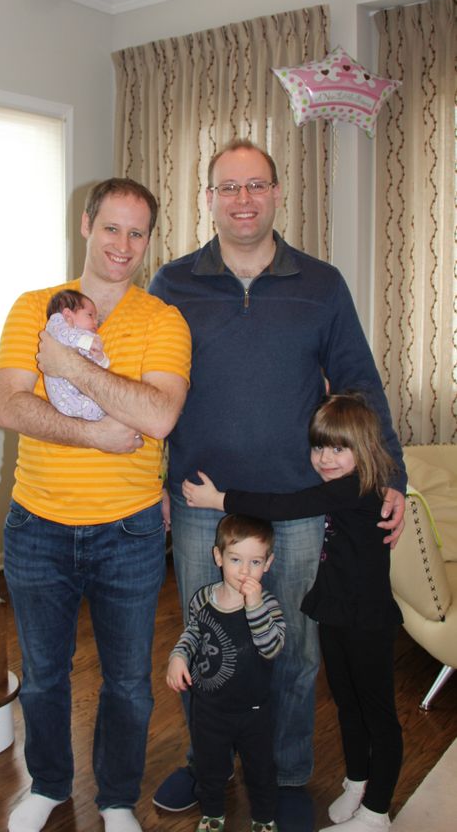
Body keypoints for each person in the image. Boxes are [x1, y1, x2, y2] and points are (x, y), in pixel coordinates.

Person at [148, 139, 406, 828]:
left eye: (255, 185)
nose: (243, 199)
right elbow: (147, 388)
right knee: (208, 644)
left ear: (276, 193)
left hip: (296, 506)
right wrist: (153, 483)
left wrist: (391, 476)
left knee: (291, 648)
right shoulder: (171, 283)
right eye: (228, 187)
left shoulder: (321, 284)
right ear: (208, 198)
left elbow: (359, 384)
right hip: (201, 503)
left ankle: (287, 770)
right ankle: (209, 763)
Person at [0, 177, 191, 832]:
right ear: (85, 225)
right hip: (37, 525)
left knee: (128, 683)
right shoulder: (32, 307)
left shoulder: (162, 320)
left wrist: (70, 366)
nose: (123, 245)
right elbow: (10, 405)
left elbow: (158, 415)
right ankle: (48, 785)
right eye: (111, 227)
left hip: (128, 531)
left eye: (137, 232)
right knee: (43, 676)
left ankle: (115, 800)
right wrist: (97, 433)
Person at [183, 392, 403, 832]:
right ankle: (357, 782)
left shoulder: (356, 489)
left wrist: (219, 500)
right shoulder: (342, 488)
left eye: (338, 448)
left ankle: (377, 811)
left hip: (367, 621)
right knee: (347, 704)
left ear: (364, 448)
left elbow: (284, 507)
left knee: (377, 713)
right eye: (319, 446)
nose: (325, 458)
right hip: (337, 614)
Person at [167, 514, 284, 832]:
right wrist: (179, 655)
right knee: (210, 769)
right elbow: (193, 633)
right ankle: (212, 813)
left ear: (268, 563)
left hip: (254, 712)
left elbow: (271, 648)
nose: (244, 571)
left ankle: (264, 817)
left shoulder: (269, 606)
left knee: (261, 770)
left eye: (255, 562)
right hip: (209, 710)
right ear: (218, 557)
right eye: (235, 559)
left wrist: (254, 606)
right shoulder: (203, 599)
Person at [44, 289, 110, 420]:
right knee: (102, 409)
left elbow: (98, 369)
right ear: (68, 314)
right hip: (65, 395)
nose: (96, 322)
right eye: (90, 315)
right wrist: (88, 342)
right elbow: (64, 336)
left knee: (109, 404)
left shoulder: (84, 337)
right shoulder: (57, 323)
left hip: (79, 392)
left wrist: (100, 358)